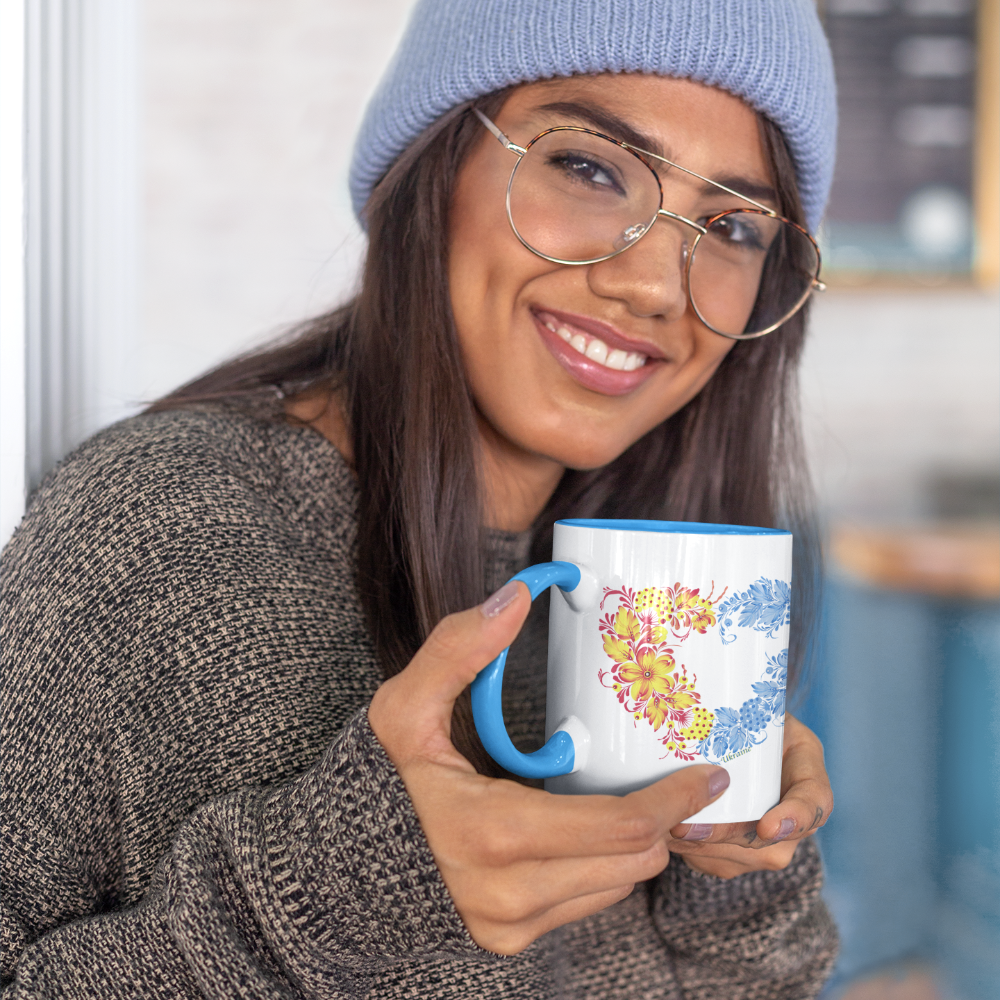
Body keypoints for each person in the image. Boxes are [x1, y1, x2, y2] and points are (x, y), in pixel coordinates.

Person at [1, 0, 840, 996]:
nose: (657, 283)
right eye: (590, 167)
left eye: (732, 225)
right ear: (433, 168)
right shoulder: (161, 529)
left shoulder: (657, 589)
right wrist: (323, 901)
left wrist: (734, 861)